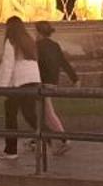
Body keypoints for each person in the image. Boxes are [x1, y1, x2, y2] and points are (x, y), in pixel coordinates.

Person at [0, 15, 41, 158]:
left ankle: (11, 150)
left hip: (18, 83)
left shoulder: (11, 42)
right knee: (30, 115)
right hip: (33, 80)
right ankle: (50, 139)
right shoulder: (29, 40)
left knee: (11, 116)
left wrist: (2, 88)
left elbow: (8, 66)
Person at [33, 21, 77, 150]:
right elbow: (63, 62)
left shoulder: (37, 46)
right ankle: (37, 139)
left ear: (38, 32)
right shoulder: (55, 45)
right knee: (41, 112)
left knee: (48, 113)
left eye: (35, 31)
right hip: (53, 82)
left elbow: (34, 64)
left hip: (42, 83)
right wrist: (75, 78)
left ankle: (65, 140)